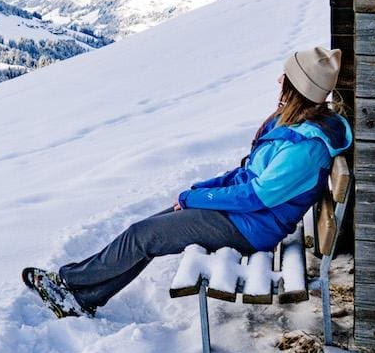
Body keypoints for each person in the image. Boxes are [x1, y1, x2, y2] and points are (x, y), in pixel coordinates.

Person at [22, 46, 353, 319]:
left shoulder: (305, 149)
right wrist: (201, 190)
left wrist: (198, 200)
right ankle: (84, 298)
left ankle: (66, 282)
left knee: (143, 235)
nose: (278, 80)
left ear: (296, 88)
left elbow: (256, 195)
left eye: (285, 77)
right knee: (147, 231)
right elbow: (247, 171)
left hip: (252, 228)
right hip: (245, 217)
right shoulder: (291, 125)